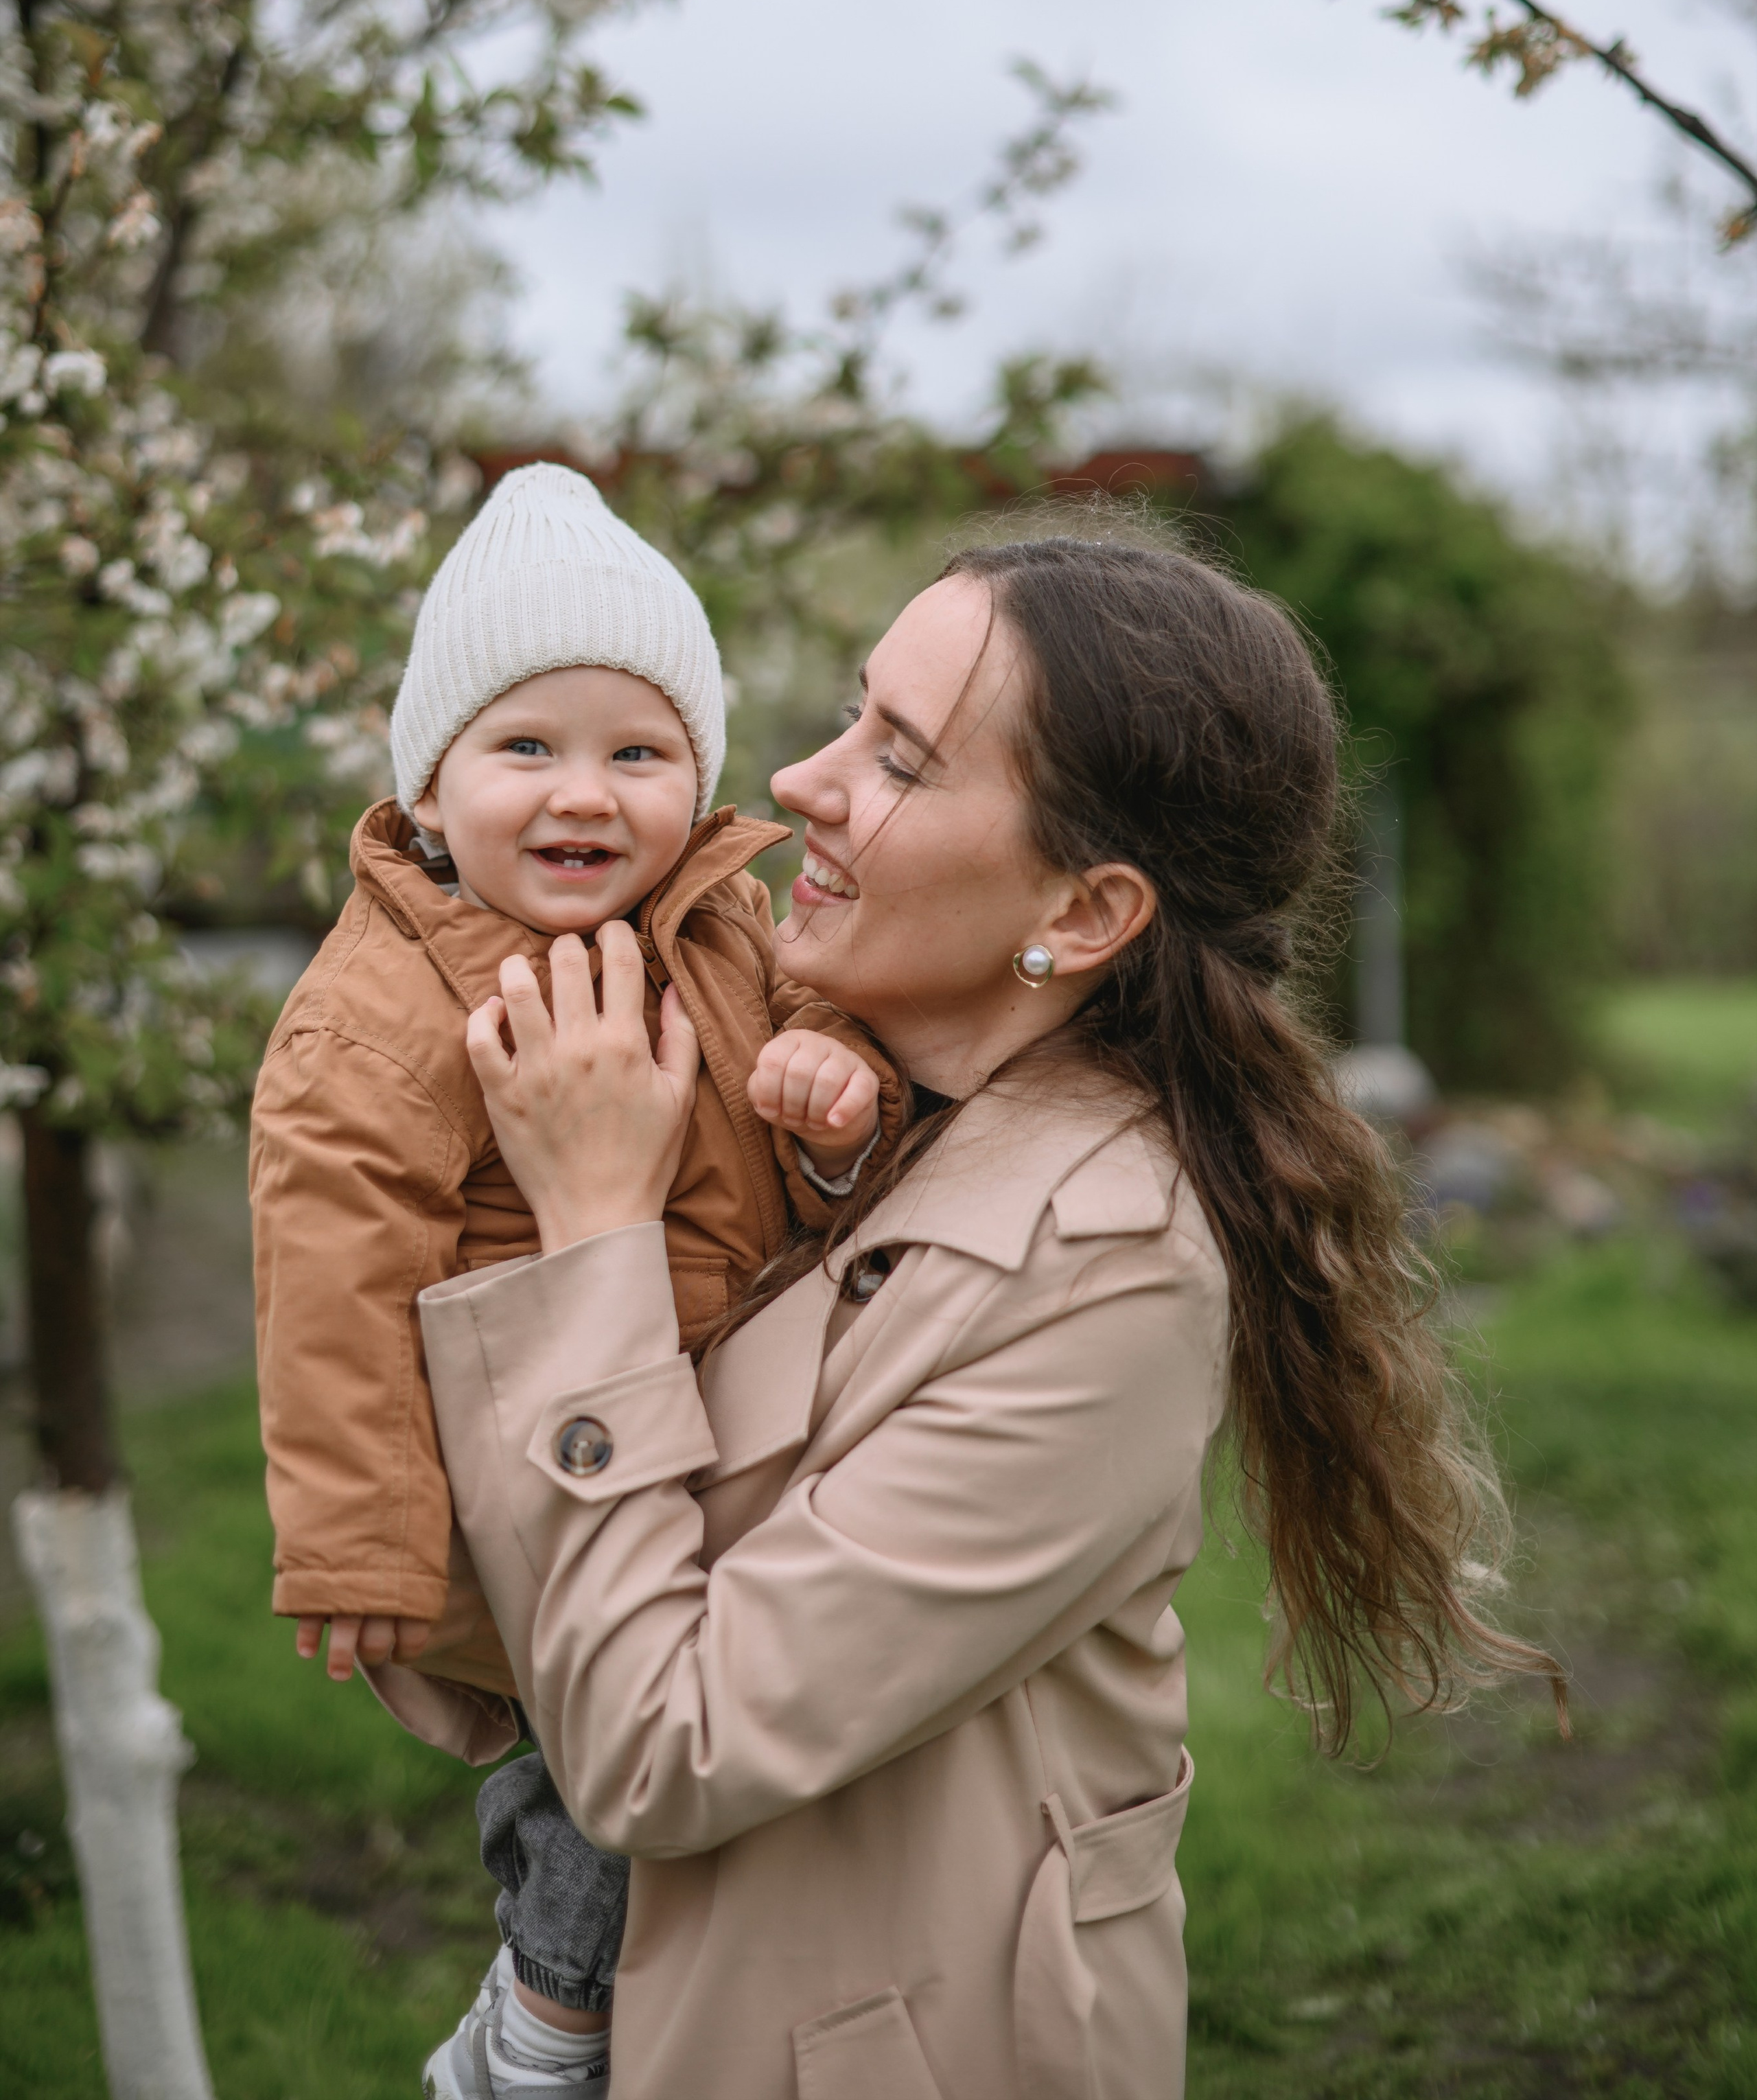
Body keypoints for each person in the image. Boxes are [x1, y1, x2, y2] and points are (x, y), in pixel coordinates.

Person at [415, 526, 1561, 2100]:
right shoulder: (853, 1101)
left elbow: (658, 1742)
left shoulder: (1104, 1268)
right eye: (847, 711)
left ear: (1082, 916)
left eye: (896, 759)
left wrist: (596, 1229)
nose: (801, 782)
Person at [249, 462, 901, 2097]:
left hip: (708, 1431)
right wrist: (352, 1535)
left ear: (697, 767)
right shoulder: (385, 1008)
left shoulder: (727, 925)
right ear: (431, 779)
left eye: (639, 751)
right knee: (597, 1745)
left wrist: (831, 1099)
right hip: (529, 1460)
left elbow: (807, 1079)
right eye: (524, 748)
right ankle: (543, 2015)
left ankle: (617, 2001)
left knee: (686, 1739)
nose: (584, 795)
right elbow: (327, 1277)